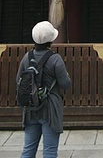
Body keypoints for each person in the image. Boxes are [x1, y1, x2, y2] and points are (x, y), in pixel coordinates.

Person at [19, 21, 72, 158]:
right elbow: (65, 84)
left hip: (31, 108)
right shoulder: (55, 59)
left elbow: (18, 81)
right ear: (51, 40)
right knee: (49, 150)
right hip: (50, 108)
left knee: (28, 149)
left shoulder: (27, 57)